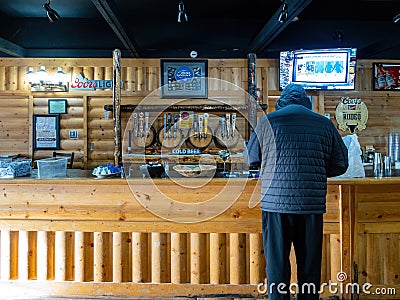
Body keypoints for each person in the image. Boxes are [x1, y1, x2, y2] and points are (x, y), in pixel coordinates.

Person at [245, 83, 348, 300]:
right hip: (310, 205)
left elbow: (251, 159)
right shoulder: (324, 124)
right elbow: (341, 164)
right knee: (309, 268)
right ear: (306, 102)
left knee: (277, 268)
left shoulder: (266, 122)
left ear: (281, 101)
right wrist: (316, 169)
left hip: (275, 206)